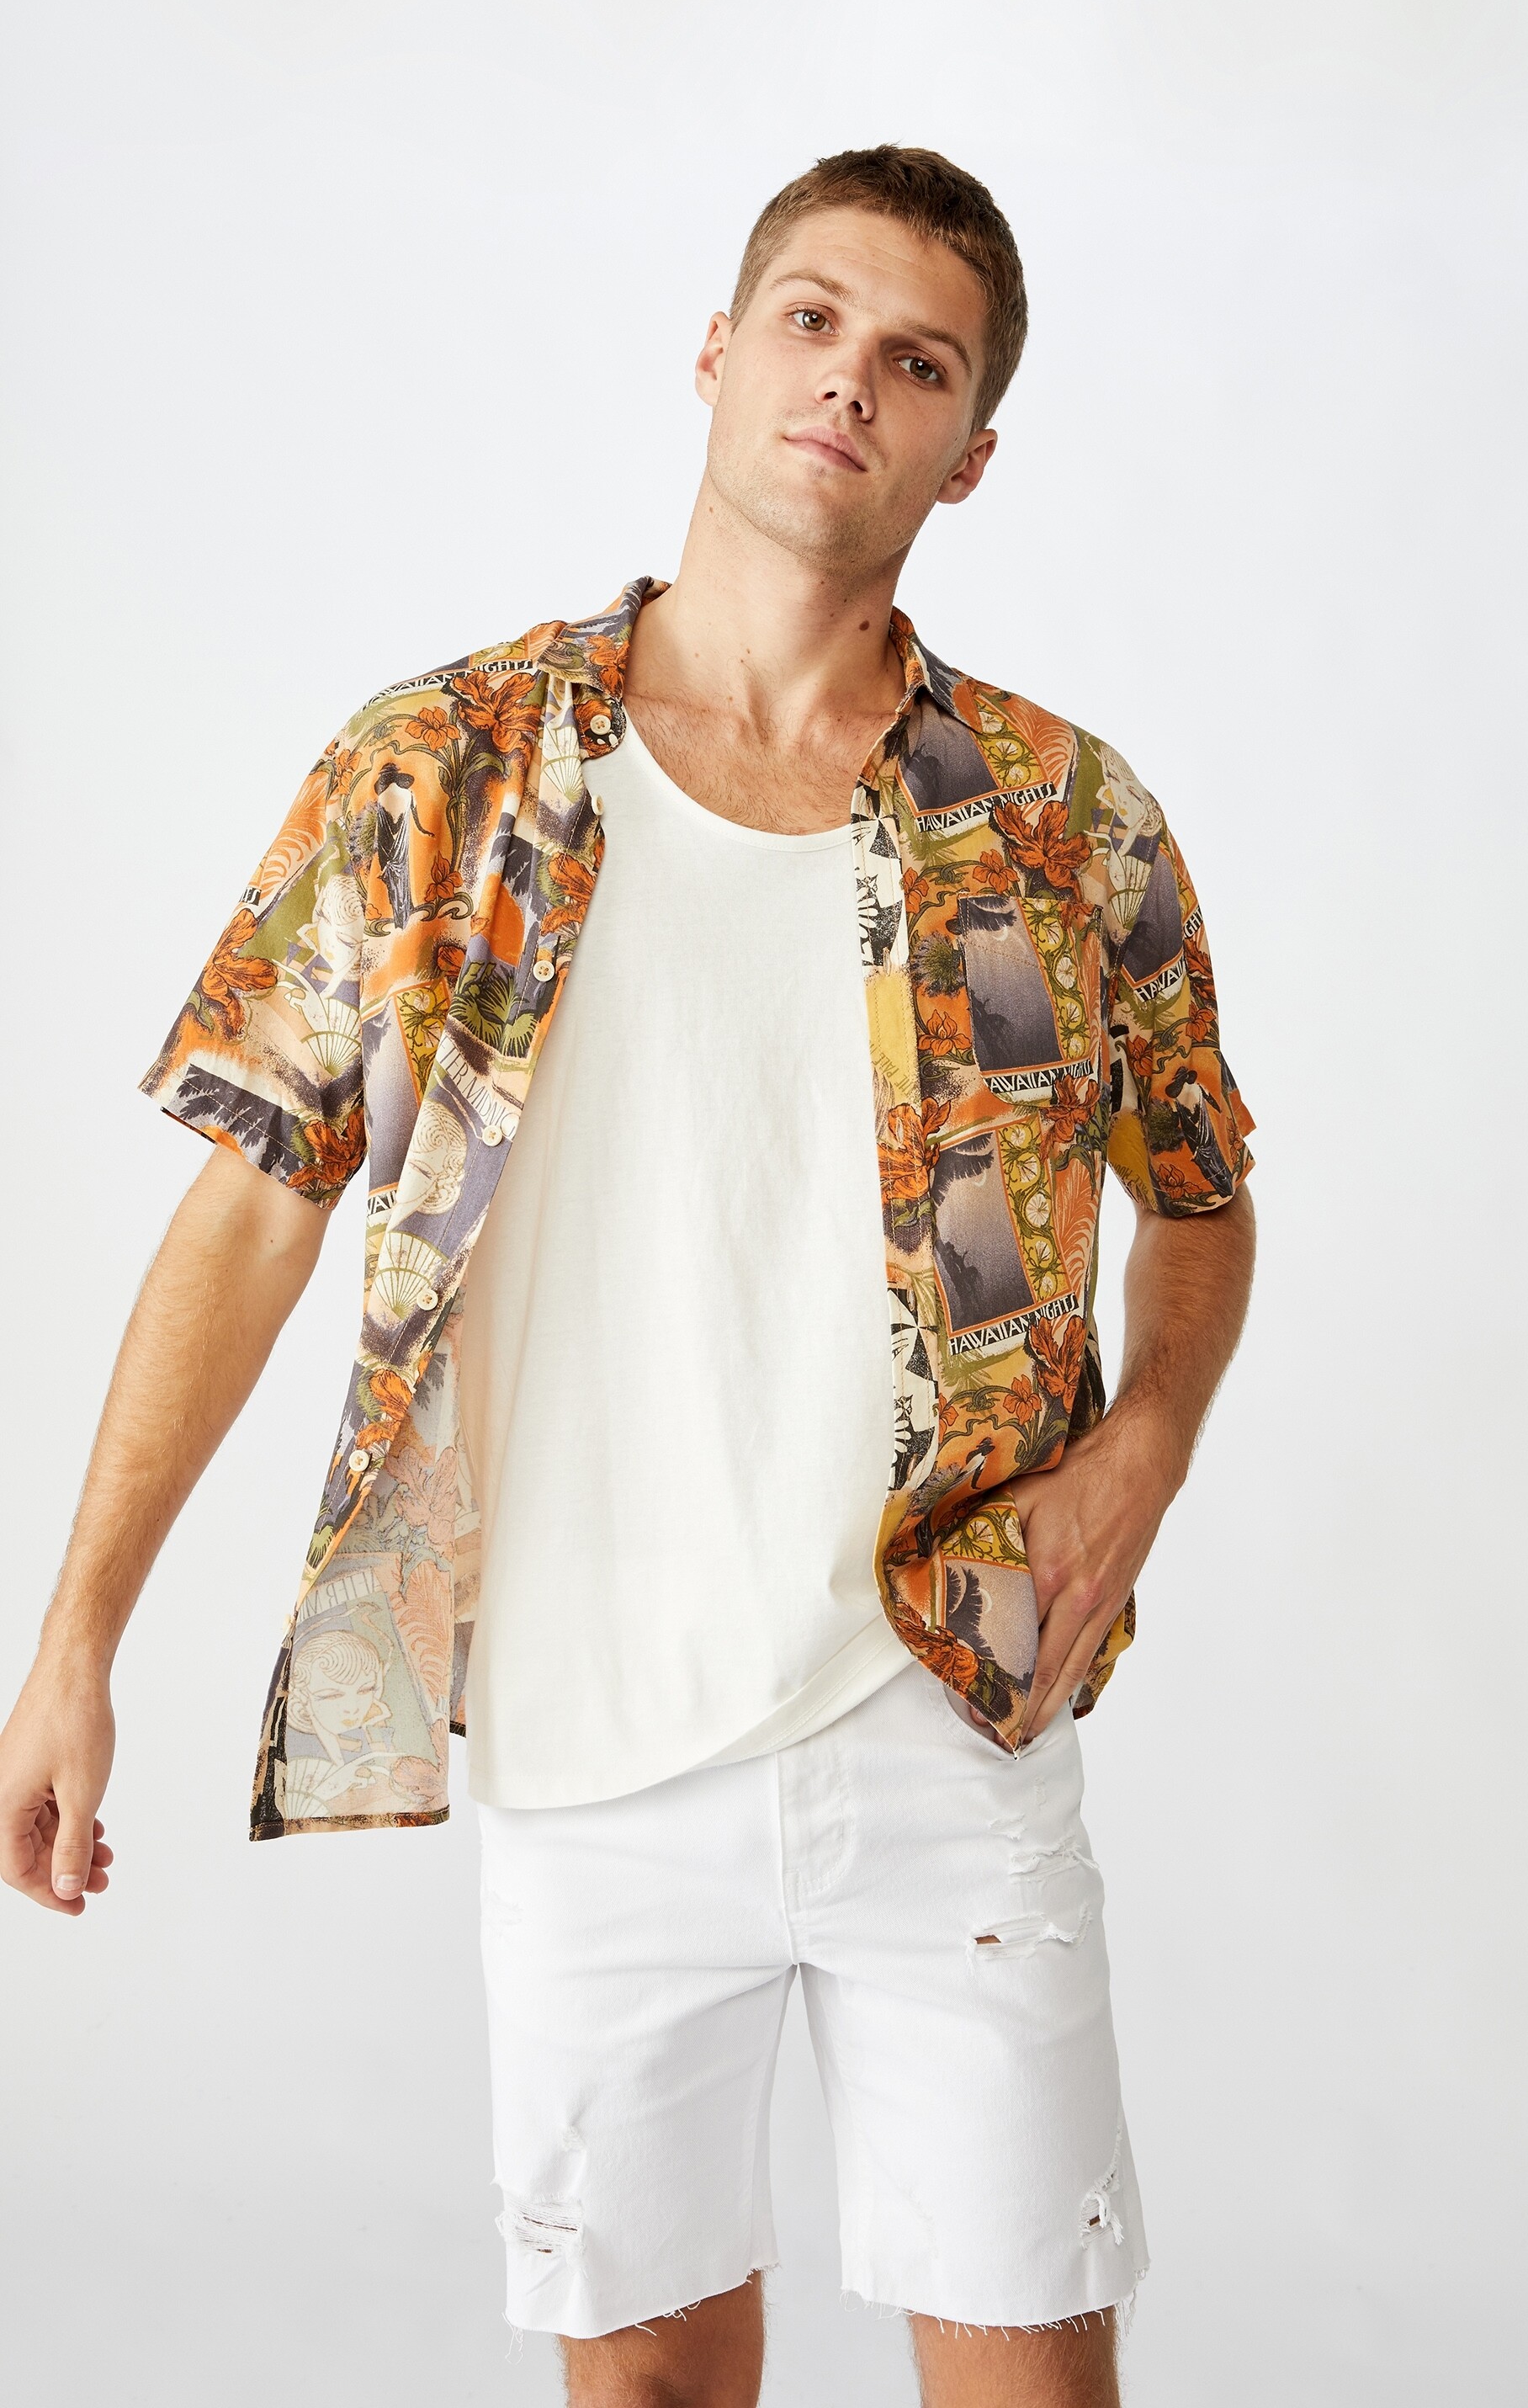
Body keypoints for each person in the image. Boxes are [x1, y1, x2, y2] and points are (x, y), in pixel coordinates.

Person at [0, 145, 1257, 2408]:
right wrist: (76, 1634)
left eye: (919, 362)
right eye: (811, 319)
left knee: (1031, 2384)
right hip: (590, 1747)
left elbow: (1202, 1187)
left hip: (947, 1707)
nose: (849, 382)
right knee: (653, 2384)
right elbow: (254, 1205)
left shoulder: (1063, 818)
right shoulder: (444, 772)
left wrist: (1144, 1452)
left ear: (972, 453)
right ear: (715, 349)